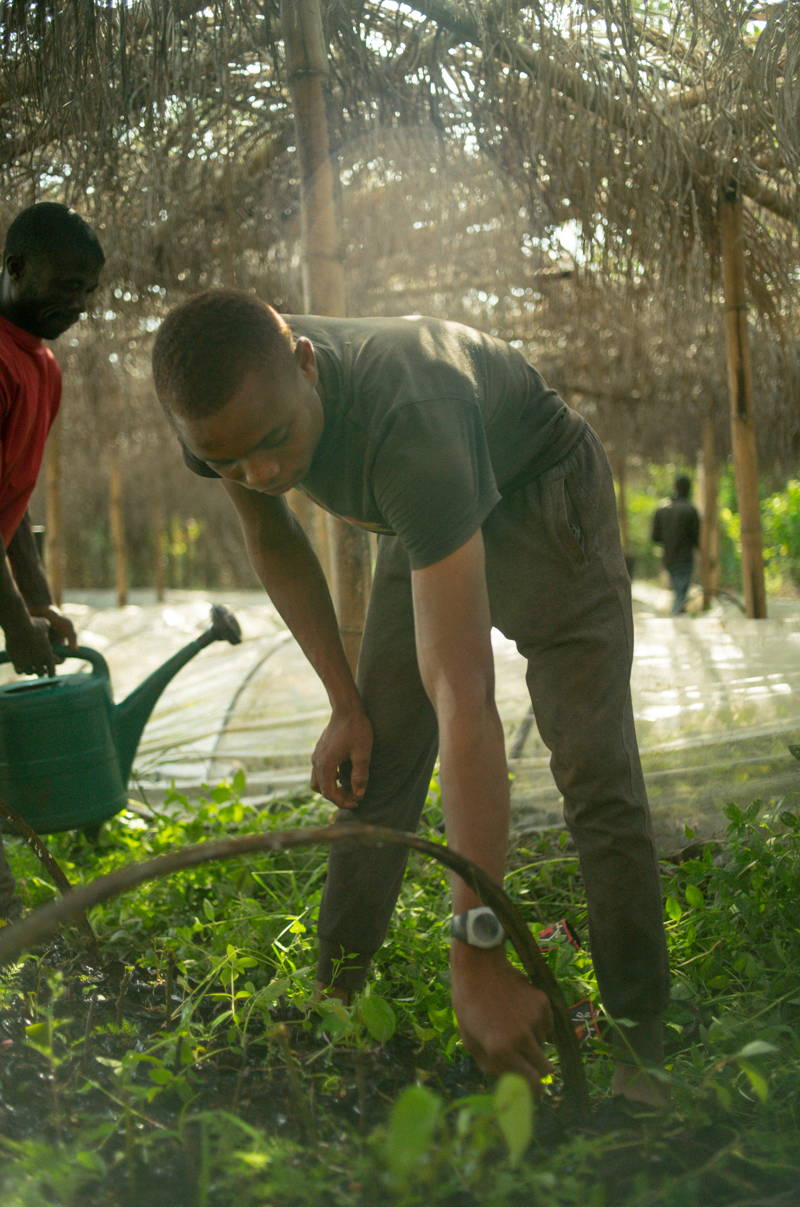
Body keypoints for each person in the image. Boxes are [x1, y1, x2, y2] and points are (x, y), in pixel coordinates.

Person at [152, 291, 670, 1107]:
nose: (262, 472)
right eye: (228, 462)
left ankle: (646, 1046)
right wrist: (342, 700)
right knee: (379, 762)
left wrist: (478, 947)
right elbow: (271, 533)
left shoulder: (409, 417)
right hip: (419, 523)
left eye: (275, 442)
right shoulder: (229, 411)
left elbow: (464, 692)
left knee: (594, 769)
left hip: (541, 493)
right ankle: (335, 1011)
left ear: (307, 367)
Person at [0, 201, 105, 917]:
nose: (76, 305)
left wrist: (35, 600)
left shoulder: (43, 366)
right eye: (64, 286)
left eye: (86, 293)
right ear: (14, 267)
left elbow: (13, 496)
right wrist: (13, 622)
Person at [651, 475, 700, 615]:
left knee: (679, 590)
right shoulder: (690, 510)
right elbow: (696, 538)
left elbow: (655, 537)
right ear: (689, 489)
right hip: (685, 557)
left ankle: (678, 613)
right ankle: (677, 614)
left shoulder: (662, 509)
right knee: (681, 591)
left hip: (668, 557)